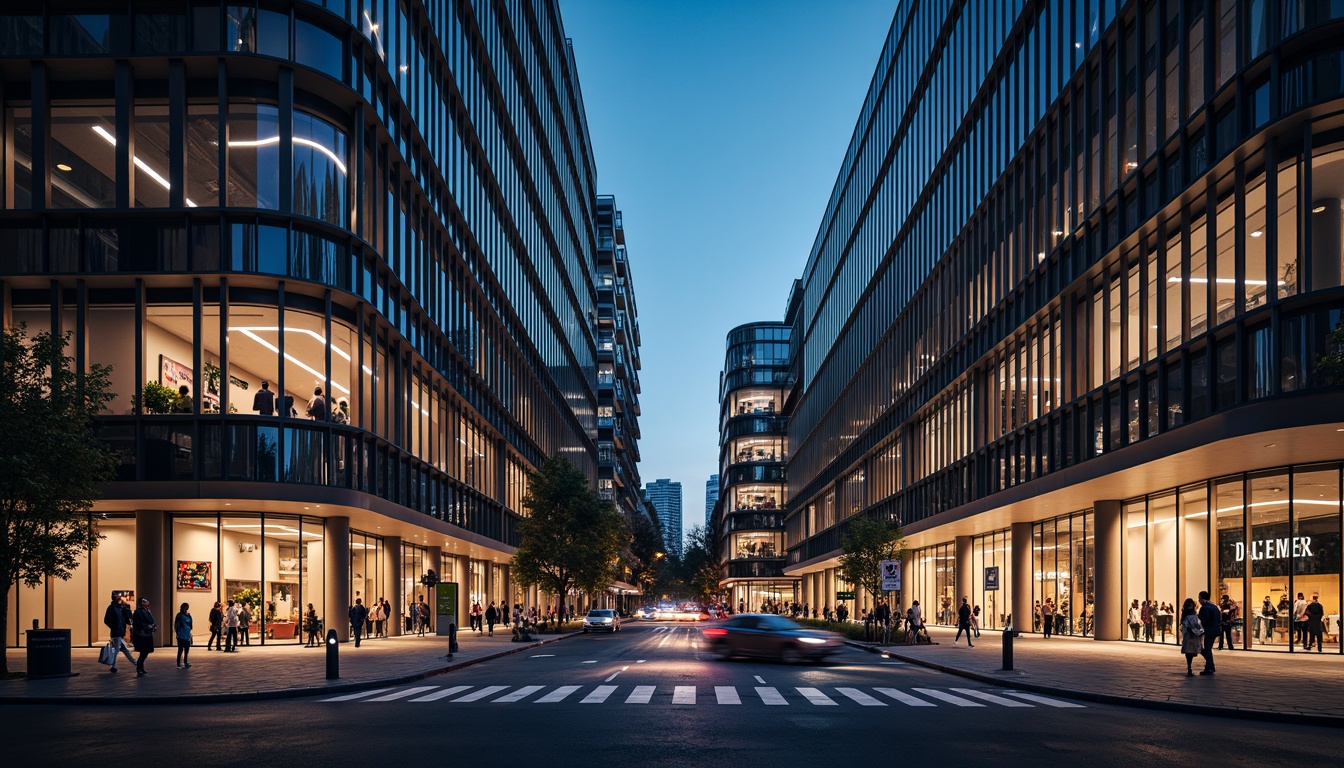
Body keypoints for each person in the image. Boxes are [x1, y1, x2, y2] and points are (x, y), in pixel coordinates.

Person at [102, 593, 136, 673]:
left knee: (124, 649)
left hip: (120, 632)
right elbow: (107, 620)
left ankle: (135, 662)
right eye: (117, 596)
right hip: (116, 632)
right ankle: (113, 666)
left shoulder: (120, 608)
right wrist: (114, 627)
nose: (119, 597)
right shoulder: (112, 608)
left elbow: (125, 618)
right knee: (117, 649)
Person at [131, 598, 157, 676]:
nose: (147, 603)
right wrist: (146, 626)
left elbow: (151, 621)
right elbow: (137, 624)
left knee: (145, 652)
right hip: (142, 635)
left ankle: (141, 667)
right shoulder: (138, 612)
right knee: (143, 651)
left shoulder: (148, 611)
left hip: (147, 634)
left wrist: (153, 626)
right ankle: (139, 668)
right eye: (145, 602)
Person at [1197, 590, 1221, 675]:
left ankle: (1210, 666)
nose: (1198, 600)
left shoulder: (1204, 608)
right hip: (1215, 630)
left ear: (1202, 598)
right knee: (1208, 648)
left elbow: (1202, 620)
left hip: (1208, 630)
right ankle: (1208, 667)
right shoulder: (1214, 607)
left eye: (1199, 598)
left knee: (1206, 649)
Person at [1179, 598, 1204, 676]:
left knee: (1189, 652)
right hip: (1193, 635)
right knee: (1194, 650)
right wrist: (1198, 632)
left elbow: (1184, 626)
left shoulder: (1185, 616)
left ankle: (1189, 667)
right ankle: (1189, 668)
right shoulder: (1194, 615)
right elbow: (1198, 625)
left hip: (1189, 635)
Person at [174, 602, 193, 669]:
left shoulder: (188, 615)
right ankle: (178, 664)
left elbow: (191, 625)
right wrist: (177, 633)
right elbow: (177, 625)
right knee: (180, 650)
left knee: (186, 650)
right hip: (181, 635)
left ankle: (185, 662)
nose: (185, 609)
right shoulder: (179, 616)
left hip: (187, 635)